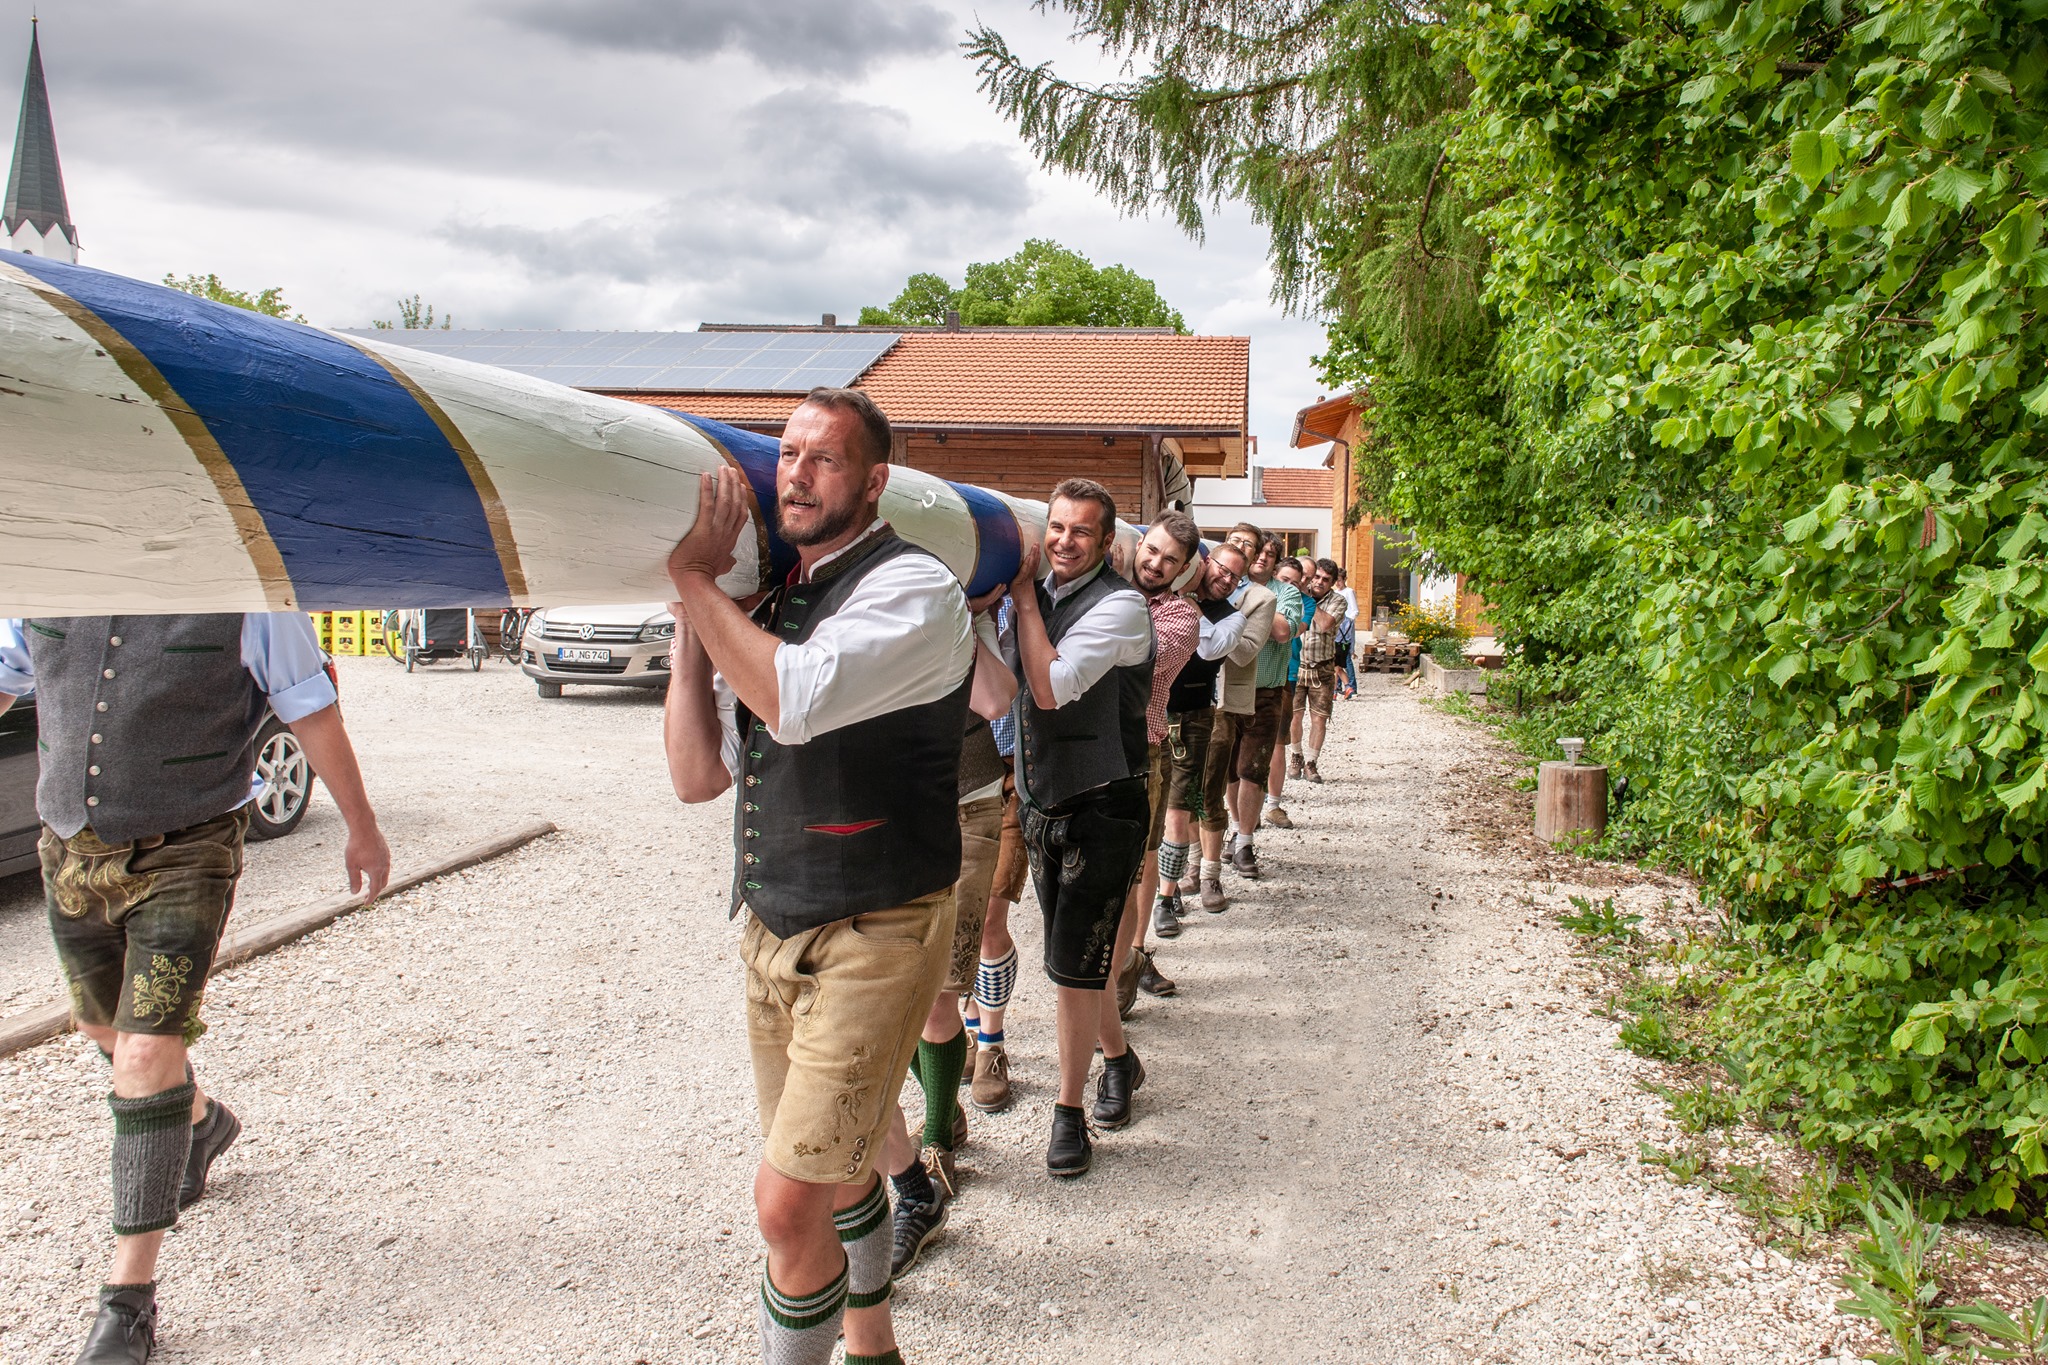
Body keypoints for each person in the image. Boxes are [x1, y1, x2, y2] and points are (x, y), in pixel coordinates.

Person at [662, 386, 973, 1365]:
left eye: (823, 459)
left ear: (874, 482)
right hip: (773, 920)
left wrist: (694, 578)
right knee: (836, 1174)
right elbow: (693, 777)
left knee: (784, 1203)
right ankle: (874, 1343)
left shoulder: (914, 590)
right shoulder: (773, 600)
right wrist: (688, 621)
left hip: (880, 924)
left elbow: (791, 699)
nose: (795, 472)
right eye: (786, 455)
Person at [0, 612, 391, 1365]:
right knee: (105, 1032)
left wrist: (361, 824)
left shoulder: (244, 591)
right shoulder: (48, 578)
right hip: (68, 849)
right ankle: (201, 1120)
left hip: (189, 846)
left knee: (146, 1054)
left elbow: (309, 702)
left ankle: (128, 1300)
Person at [1003, 477, 1154, 1177]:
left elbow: (1050, 686)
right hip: (1042, 803)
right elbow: (999, 685)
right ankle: (1120, 1060)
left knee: (1069, 969)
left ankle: (1067, 1115)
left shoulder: (1121, 606)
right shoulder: (1039, 598)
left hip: (1105, 804)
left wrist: (1021, 595)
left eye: (1080, 531)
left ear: (1104, 541)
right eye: (1056, 527)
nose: (1064, 540)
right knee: (1079, 967)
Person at [882, 607, 1016, 1277]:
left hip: (966, 797)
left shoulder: (964, 600)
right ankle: (944, 1103)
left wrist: (960, 617)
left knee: (940, 991)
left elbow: (996, 697)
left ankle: (936, 1138)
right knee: (887, 994)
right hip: (883, 808)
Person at [1107, 515, 1201, 1017]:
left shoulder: (1182, 617)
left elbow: (1129, 660)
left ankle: (1130, 958)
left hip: (1141, 749)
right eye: (1153, 551)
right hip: (1086, 747)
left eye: (1170, 560)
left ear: (1183, 570)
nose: (1156, 564)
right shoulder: (1106, 584)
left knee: (1140, 862)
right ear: (1139, 543)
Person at [1151, 539, 1250, 942]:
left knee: (1177, 809)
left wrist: (1189, 608)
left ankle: (1165, 898)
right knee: (1148, 807)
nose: (1226, 579)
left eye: (1235, 577)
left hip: (1192, 716)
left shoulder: (1232, 619)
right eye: (1222, 569)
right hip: (1146, 711)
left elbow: (1207, 648)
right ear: (1206, 563)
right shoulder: (1166, 590)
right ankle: (1148, 887)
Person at [1194, 524, 1278, 895]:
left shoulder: (1259, 598)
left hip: (1223, 701)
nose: (1241, 546)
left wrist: (1203, 620)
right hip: (1179, 695)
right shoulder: (1197, 577)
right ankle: (1185, 864)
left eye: (1250, 545)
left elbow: (1245, 650)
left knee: (1211, 784)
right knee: (1179, 788)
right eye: (1236, 540)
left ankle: (1209, 868)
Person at [965, 660, 1026, 1115]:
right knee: (956, 914)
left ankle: (991, 1042)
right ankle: (966, 1022)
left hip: (1013, 772)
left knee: (988, 919)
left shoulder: (1035, 602)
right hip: (954, 771)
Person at [1227, 536, 1303, 877]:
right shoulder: (1228, 581)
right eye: (1259, 552)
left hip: (1266, 692)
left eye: (1270, 555)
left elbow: (1284, 631)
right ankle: (1235, 829)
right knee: (1228, 771)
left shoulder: (1286, 592)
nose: (1262, 558)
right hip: (1227, 691)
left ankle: (1245, 843)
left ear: (1275, 562)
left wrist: (1253, 604)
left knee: (1252, 770)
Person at [1296, 559, 1351, 780]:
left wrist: (1307, 600)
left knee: (1319, 718)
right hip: (1296, 665)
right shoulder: (1295, 593)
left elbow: (1325, 624)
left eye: (1325, 580)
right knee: (1294, 716)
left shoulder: (1338, 601)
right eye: (1316, 577)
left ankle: (1311, 762)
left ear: (1332, 582)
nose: (1319, 582)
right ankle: (1296, 756)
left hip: (1323, 668)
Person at [1267, 555, 1307, 828]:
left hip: (1286, 674)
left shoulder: (1306, 602)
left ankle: (1273, 804)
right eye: (1285, 580)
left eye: (1295, 583)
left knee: (1278, 742)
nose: (1290, 587)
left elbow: (1293, 629)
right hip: (1258, 674)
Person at [1334, 566, 1360, 698]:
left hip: (1346, 629)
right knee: (1335, 659)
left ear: (1344, 579)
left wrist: (1347, 621)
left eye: (1339, 580)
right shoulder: (1334, 592)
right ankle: (1337, 686)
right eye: (1336, 580)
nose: (1337, 583)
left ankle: (1352, 686)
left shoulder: (1349, 592)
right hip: (1336, 628)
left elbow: (1354, 610)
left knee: (1346, 659)